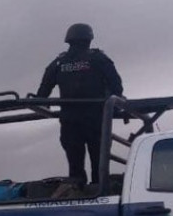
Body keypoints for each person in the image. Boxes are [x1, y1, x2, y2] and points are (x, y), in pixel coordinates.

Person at [35, 22, 124, 184]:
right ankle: (99, 192)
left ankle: (78, 192)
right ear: (89, 39)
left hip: (70, 123)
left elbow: (42, 94)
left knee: (75, 169)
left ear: (69, 40)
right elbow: (117, 87)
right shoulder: (99, 59)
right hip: (97, 121)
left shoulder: (58, 63)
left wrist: (42, 106)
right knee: (100, 166)